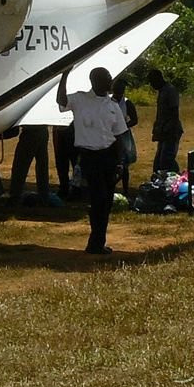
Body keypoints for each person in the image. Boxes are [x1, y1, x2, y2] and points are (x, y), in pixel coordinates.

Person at [57, 66, 129, 254]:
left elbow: (120, 135)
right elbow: (61, 101)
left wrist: (120, 162)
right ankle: (95, 243)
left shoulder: (112, 105)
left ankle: (98, 241)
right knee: (99, 198)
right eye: (106, 78)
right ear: (95, 81)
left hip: (109, 156)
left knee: (106, 202)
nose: (110, 80)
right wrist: (64, 76)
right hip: (90, 156)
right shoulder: (80, 99)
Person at [6, 125, 55, 207]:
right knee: (42, 167)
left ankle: (15, 196)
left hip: (30, 131)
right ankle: (44, 197)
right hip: (42, 130)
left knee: (20, 166)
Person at [146, 68, 183, 174]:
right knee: (159, 163)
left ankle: (176, 179)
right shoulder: (162, 91)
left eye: (152, 81)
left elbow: (174, 112)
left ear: (158, 78)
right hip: (163, 131)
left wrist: (167, 129)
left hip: (171, 131)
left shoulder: (170, 90)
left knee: (166, 161)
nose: (151, 85)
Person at [111, 77, 139, 194]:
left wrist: (124, 126)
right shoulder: (107, 101)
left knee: (124, 162)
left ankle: (125, 189)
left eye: (121, 90)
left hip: (123, 134)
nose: (118, 92)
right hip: (109, 134)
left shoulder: (127, 102)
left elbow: (135, 120)